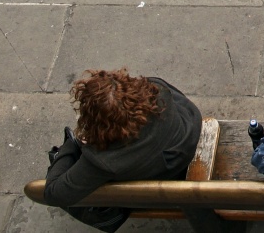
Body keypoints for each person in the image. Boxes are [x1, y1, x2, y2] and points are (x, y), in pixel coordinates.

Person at [44, 69, 202, 207]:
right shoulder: (157, 90)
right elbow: (183, 103)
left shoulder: (103, 161)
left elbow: (54, 193)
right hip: (189, 139)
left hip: (164, 179)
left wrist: (73, 143)